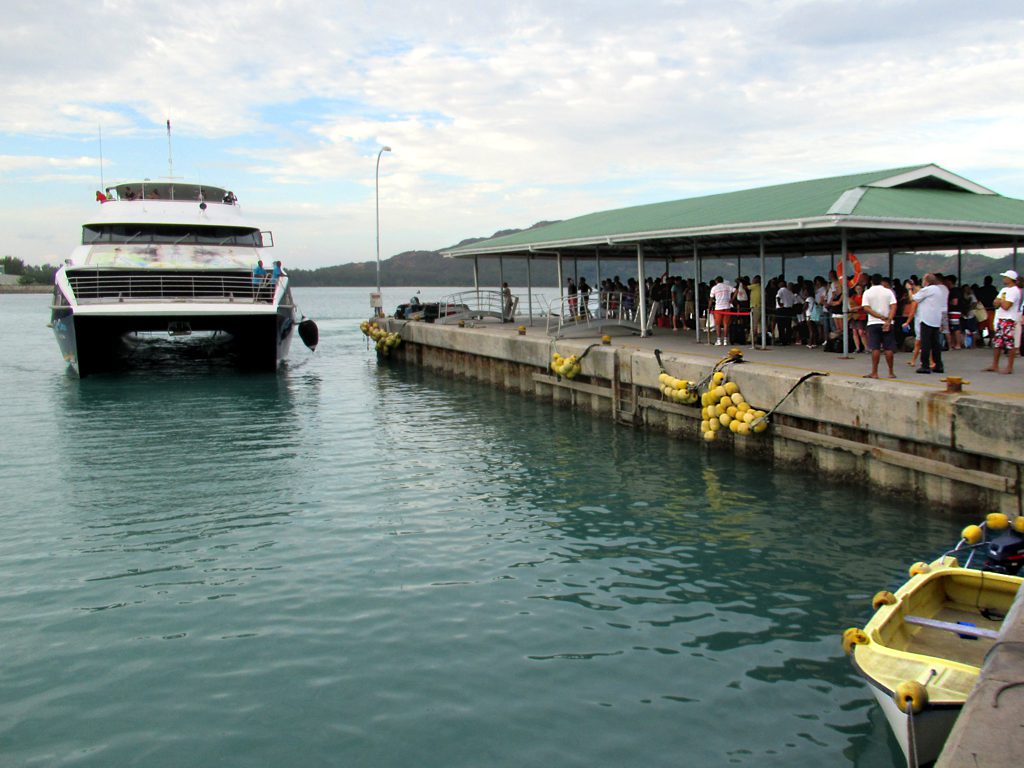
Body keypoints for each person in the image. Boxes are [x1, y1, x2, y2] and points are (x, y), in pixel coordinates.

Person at [861, 273, 898, 379]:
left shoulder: (867, 292)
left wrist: (879, 316)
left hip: (873, 322)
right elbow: (893, 306)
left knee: (875, 348)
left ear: (871, 281)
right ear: (881, 281)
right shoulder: (888, 292)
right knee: (889, 348)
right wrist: (888, 319)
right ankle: (891, 372)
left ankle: (874, 372)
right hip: (887, 323)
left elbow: (866, 308)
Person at [985, 269, 1021, 374]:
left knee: (1009, 343)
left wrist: (1000, 301)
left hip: (1009, 319)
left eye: (1005, 277)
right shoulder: (1004, 289)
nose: (1004, 279)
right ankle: (995, 365)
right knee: (997, 342)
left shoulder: (1014, 290)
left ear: (1011, 279)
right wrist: (1000, 301)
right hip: (1001, 318)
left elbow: (1006, 306)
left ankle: (1010, 367)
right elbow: (995, 302)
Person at [911, 273, 946, 374]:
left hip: (926, 318)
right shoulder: (938, 289)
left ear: (926, 281)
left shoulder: (928, 289)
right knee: (935, 344)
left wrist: (910, 289)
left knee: (925, 343)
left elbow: (914, 298)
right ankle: (938, 364)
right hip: (936, 319)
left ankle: (925, 365)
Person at [709, 276, 734, 346]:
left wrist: (709, 307)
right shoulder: (727, 286)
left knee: (718, 324)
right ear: (722, 281)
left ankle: (719, 340)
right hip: (727, 306)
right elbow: (736, 290)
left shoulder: (714, 288)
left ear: (716, 281)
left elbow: (711, 299)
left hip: (718, 307)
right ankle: (725, 340)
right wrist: (732, 300)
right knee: (726, 324)